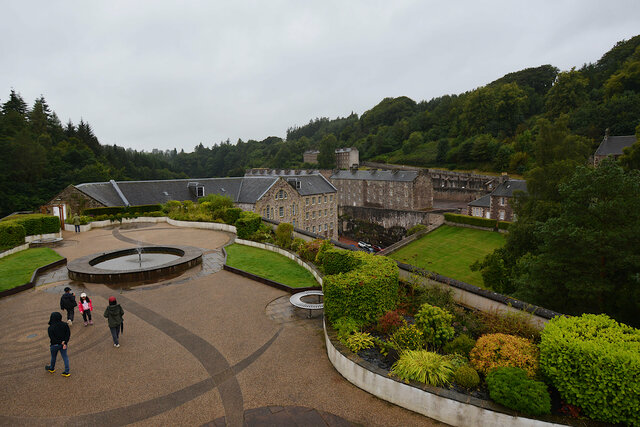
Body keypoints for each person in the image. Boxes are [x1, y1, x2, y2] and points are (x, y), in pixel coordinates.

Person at [45, 312, 71, 377]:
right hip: (63, 344)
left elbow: (52, 338)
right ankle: (66, 371)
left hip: (54, 345)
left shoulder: (50, 328)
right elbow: (68, 334)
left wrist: (60, 342)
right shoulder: (65, 325)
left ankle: (52, 368)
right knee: (65, 357)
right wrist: (64, 343)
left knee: (53, 357)